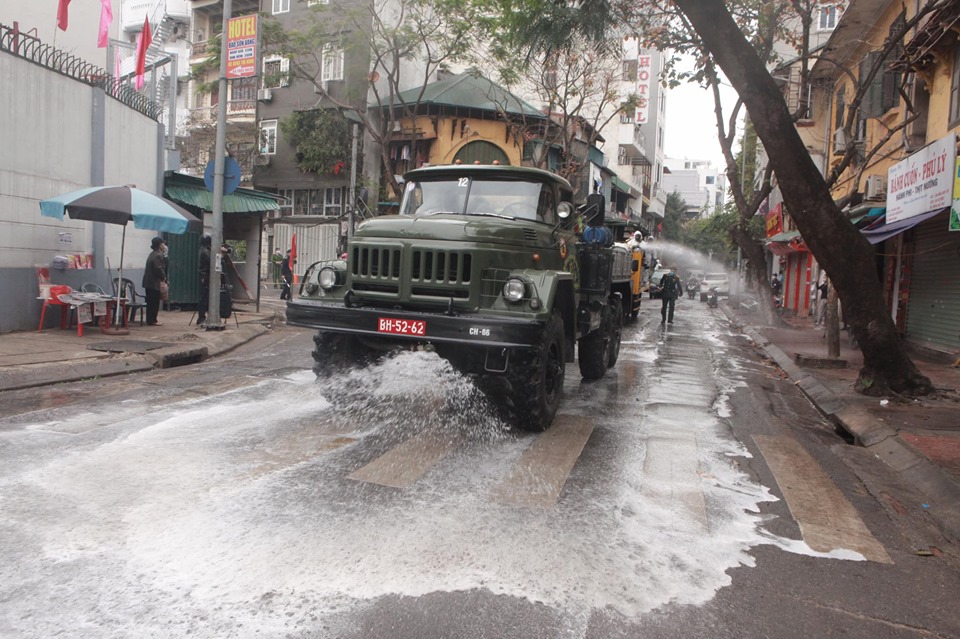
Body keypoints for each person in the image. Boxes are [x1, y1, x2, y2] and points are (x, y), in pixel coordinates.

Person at [142, 236, 167, 326]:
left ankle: (151, 319)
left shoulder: (152, 254)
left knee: (150, 302)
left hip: (149, 282)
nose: (164, 245)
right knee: (154, 302)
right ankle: (152, 320)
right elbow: (158, 268)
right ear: (159, 245)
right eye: (162, 244)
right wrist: (163, 276)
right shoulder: (157, 255)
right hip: (153, 283)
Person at [196, 234, 212, 326]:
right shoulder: (205, 252)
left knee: (205, 297)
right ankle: (201, 318)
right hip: (205, 276)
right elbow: (211, 262)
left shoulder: (204, 250)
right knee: (204, 298)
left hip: (205, 276)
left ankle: (203, 317)